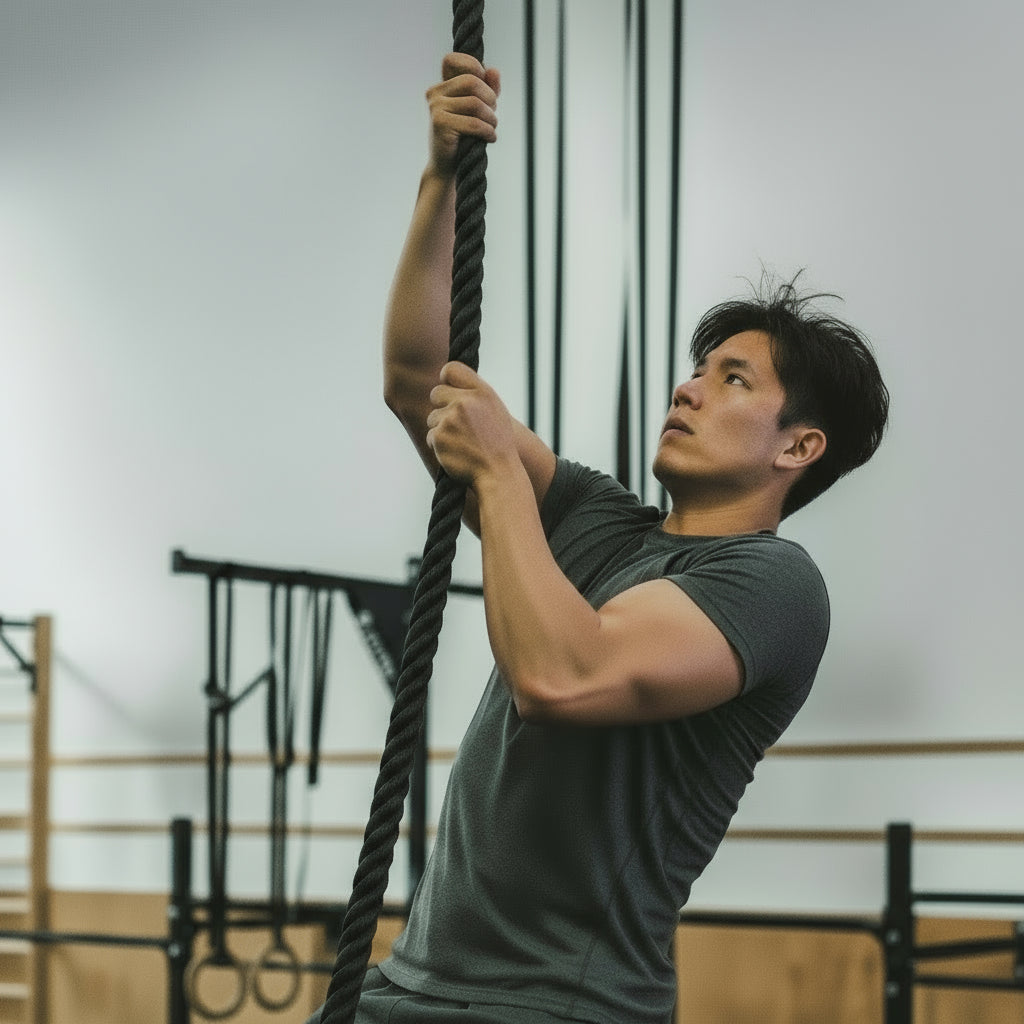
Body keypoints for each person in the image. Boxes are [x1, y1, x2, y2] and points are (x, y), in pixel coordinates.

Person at [309, 52, 889, 1024]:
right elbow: (420, 382)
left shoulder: (774, 584)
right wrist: (441, 177)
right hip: (408, 986)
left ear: (800, 444)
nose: (688, 386)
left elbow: (564, 677)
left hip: (555, 1007)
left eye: (733, 379)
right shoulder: (588, 513)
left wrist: (496, 470)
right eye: (696, 368)